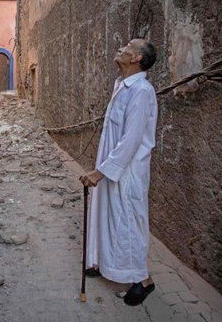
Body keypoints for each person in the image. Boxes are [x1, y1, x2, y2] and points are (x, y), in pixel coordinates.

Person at [79, 38, 158, 306]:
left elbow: (132, 139)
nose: (121, 48)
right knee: (106, 215)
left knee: (129, 222)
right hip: (112, 165)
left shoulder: (142, 91)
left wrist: (100, 173)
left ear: (136, 58)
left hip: (129, 171)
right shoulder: (121, 86)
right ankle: (103, 263)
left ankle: (143, 280)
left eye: (127, 47)